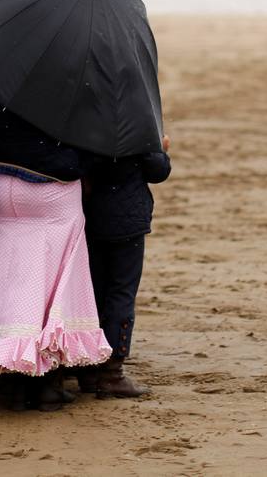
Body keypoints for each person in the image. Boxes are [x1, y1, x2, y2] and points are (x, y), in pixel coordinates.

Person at [0, 106, 114, 411]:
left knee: (13, 273)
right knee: (55, 276)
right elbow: (96, 141)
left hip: (3, 180)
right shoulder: (68, 78)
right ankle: (45, 382)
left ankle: (12, 379)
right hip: (53, 183)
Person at [77, 136, 172, 398]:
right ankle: (111, 372)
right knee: (121, 292)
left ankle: (88, 369)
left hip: (88, 214)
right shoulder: (136, 122)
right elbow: (158, 171)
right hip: (127, 219)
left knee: (92, 292)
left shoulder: (85, 119)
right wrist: (160, 149)